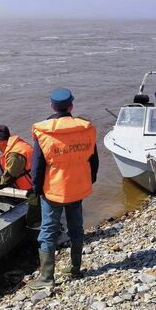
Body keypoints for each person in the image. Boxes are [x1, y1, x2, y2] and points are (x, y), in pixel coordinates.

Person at [28, 88, 99, 289]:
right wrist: (88, 180)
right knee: (76, 228)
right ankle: (76, 269)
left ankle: (47, 279)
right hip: (78, 187)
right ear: (71, 107)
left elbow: (37, 167)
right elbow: (94, 161)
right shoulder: (85, 129)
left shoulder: (44, 133)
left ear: (52, 106)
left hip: (53, 191)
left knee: (48, 232)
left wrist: (37, 189)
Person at [0, 124, 41, 229]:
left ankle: (39, 234)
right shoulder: (18, 144)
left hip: (36, 188)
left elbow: (8, 179)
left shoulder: (15, 155)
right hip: (38, 181)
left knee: (33, 219)